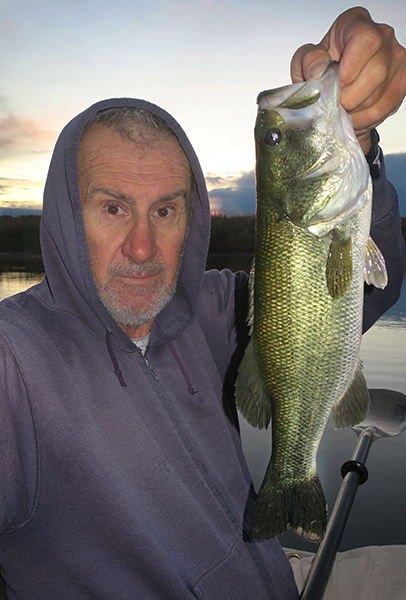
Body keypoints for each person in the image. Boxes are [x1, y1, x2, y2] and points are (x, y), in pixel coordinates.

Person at [0, 7, 405, 600]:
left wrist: (359, 140)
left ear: (191, 219)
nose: (141, 246)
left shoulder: (216, 310)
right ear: (65, 213)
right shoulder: (14, 360)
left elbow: (378, 288)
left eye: (164, 210)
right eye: (113, 208)